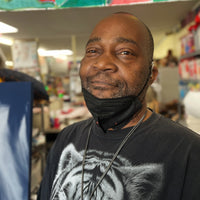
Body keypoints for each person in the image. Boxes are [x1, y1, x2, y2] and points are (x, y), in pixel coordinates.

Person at [37, 12, 200, 200]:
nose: (102, 63)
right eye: (93, 51)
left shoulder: (188, 153)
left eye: (125, 52)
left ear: (151, 74)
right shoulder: (67, 139)